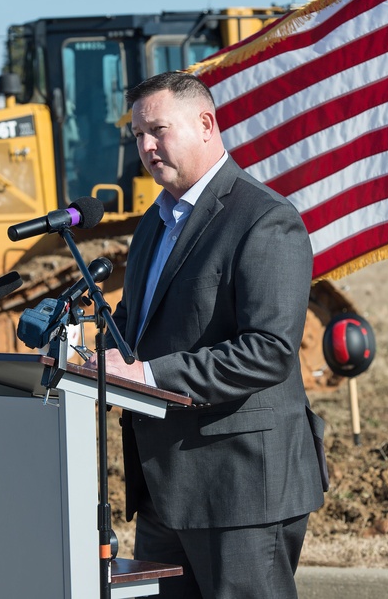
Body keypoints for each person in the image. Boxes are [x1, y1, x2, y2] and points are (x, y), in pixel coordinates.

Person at [88, 71, 325, 598]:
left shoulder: (264, 219)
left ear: (206, 124)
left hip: (240, 491)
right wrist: (89, 364)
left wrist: (148, 375)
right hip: (163, 490)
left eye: (157, 131)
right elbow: (133, 324)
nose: (146, 147)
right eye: (137, 136)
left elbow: (270, 351)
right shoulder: (154, 223)